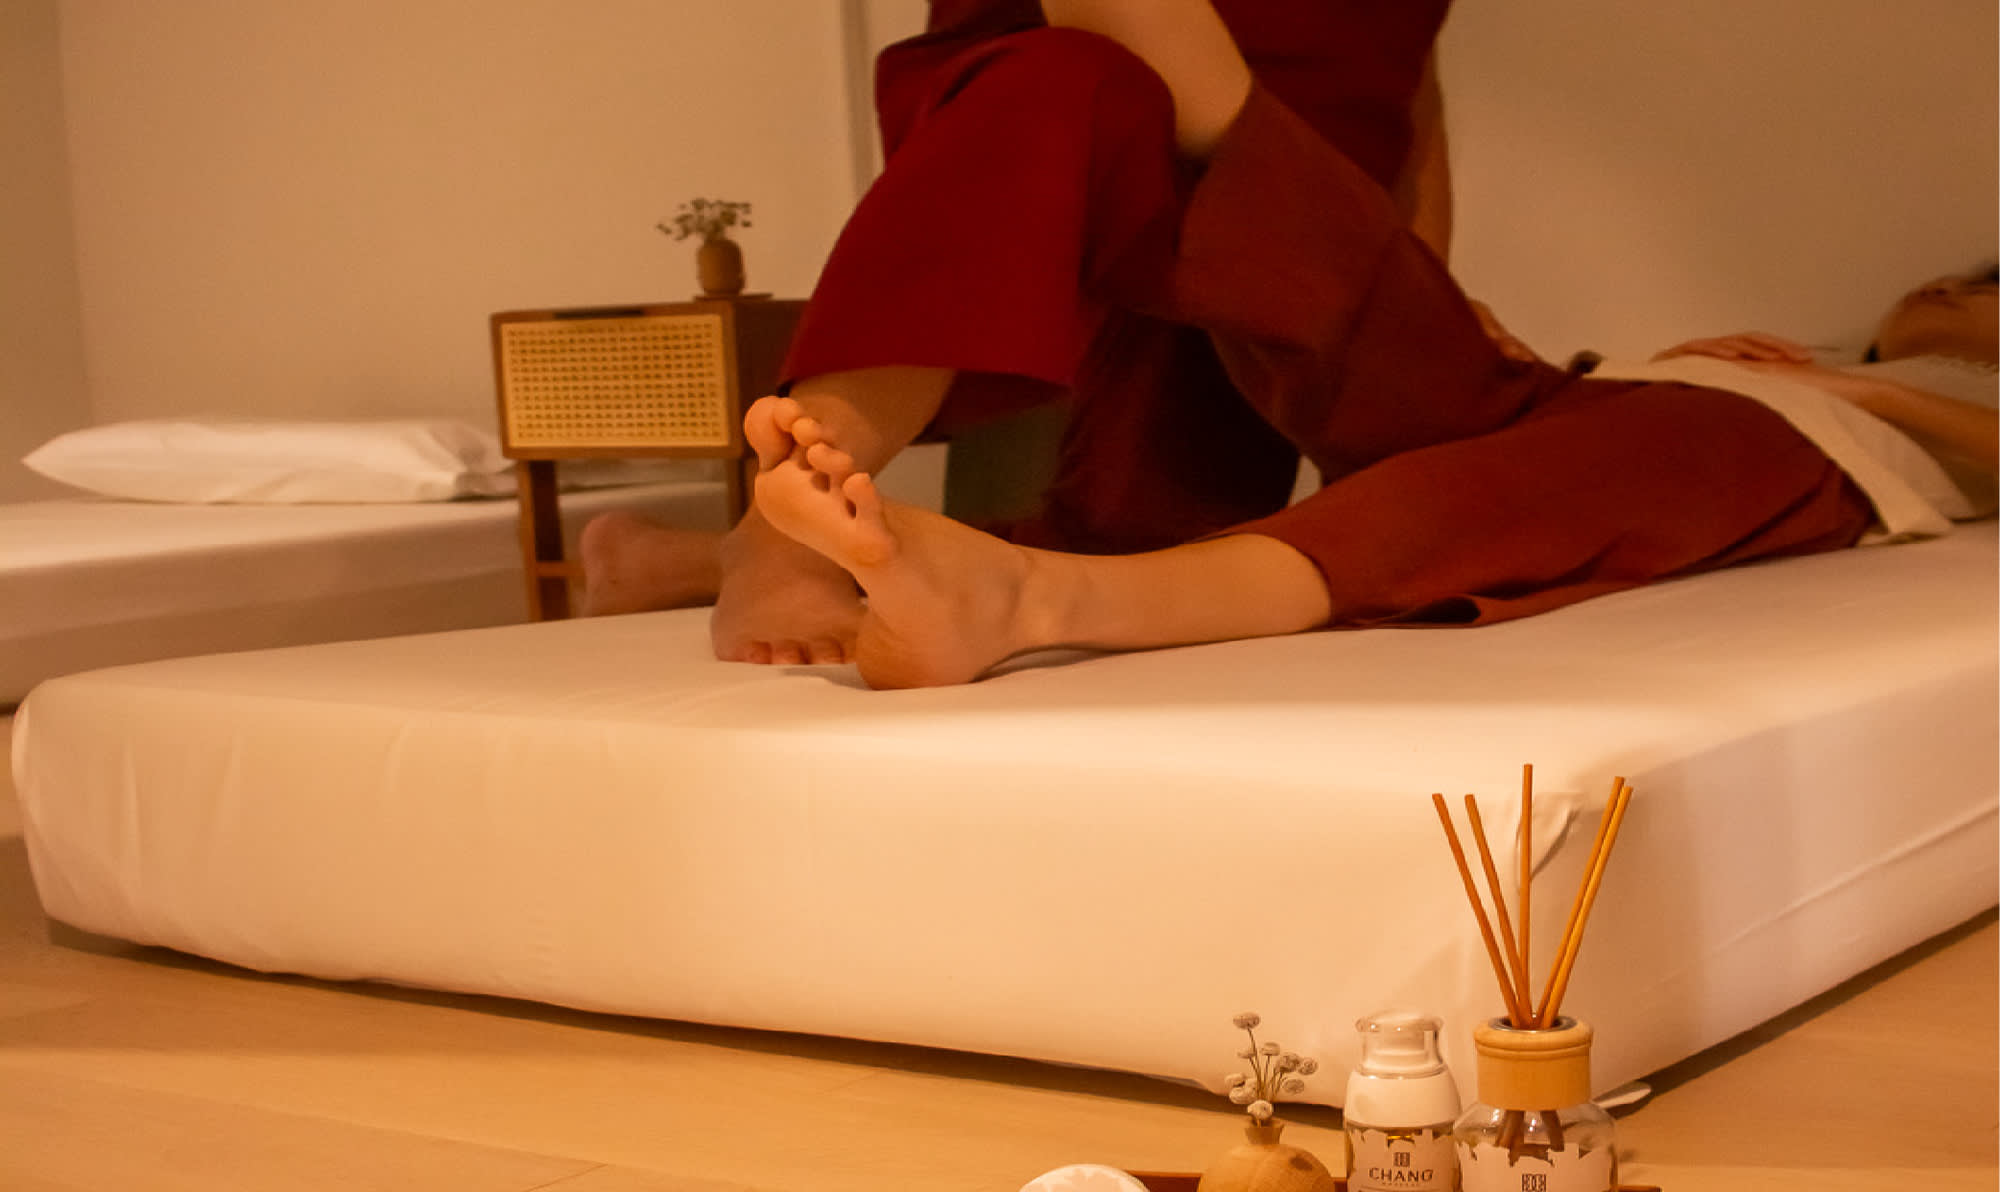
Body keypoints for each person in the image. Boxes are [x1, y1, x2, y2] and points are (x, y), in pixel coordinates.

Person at [594, 2, 1997, 689]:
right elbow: (1417, 118)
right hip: (1468, 333)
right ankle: (792, 522)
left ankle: (1006, 588)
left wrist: (1847, 387)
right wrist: (1438, 294)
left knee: (1149, 519)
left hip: (1738, 416)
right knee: (1069, 76)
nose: (1951, 297)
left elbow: (1405, 96)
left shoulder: (1883, 394)